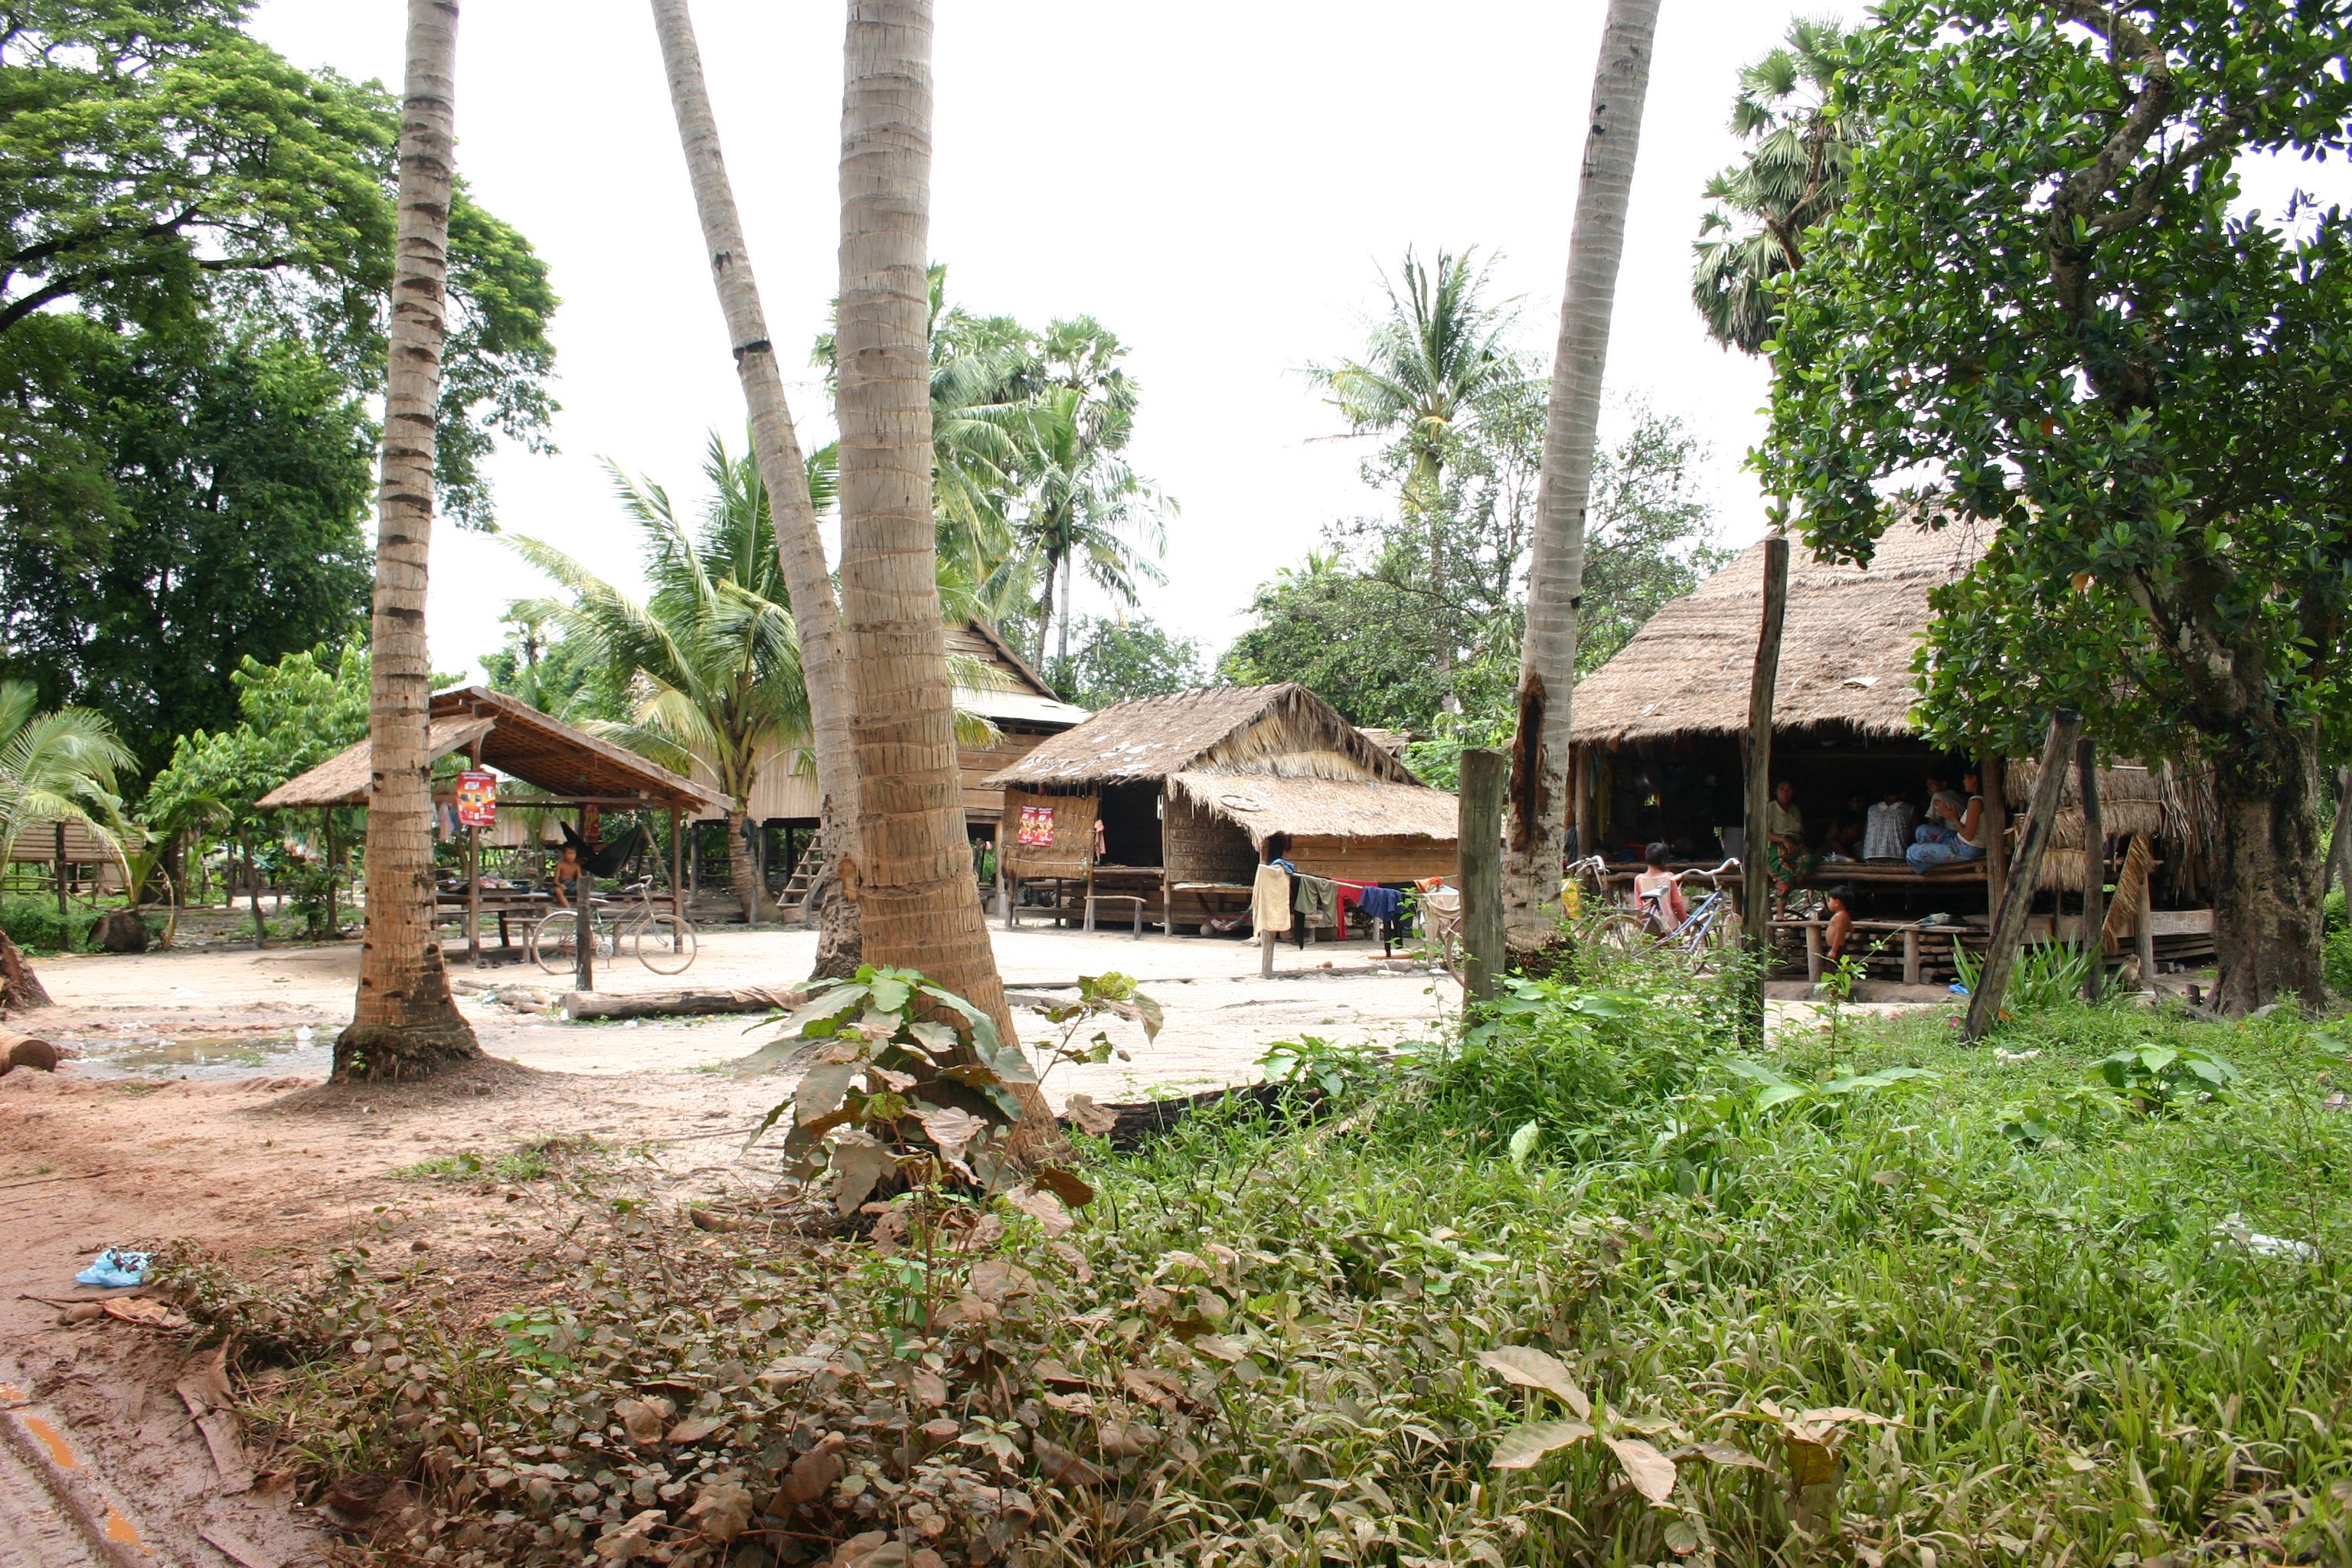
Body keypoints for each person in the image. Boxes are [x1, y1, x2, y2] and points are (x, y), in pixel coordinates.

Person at [1909, 769, 1988, 873]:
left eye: (1965, 778)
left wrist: (1953, 819)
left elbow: (1968, 836)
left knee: (1913, 851)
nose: (1963, 782)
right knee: (1922, 830)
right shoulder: (1978, 800)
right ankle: (1934, 857)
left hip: (1967, 849)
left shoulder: (1975, 802)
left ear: (1974, 779)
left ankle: (1931, 872)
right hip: (1960, 841)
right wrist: (1954, 816)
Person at [1765, 779, 1816, 917]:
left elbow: (1800, 831)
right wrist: (1784, 840)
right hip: (1777, 845)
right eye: (1782, 789)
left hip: (1795, 844)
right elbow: (1764, 833)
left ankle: (1795, 880)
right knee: (1784, 875)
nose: (1785, 793)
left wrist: (1800, 844)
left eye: (1789, 790)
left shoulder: (1794, 810)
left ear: (1793, 793)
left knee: (1810, 859)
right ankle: (1780, 914)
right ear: (1776, 791)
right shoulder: (1770, 808)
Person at [1632, 842, 1688, 935]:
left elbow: (1639, 906)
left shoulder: (1639, 879)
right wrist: (1685, 923)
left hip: (1649, 927)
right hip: (1669, 927)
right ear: (1664, 860)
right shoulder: (1669, 877)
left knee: (1650, 949)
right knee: (1672, 949)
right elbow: (1676, 903)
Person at [1864, 780, 1919, 861]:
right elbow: (1917, 833)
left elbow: (1866, 833)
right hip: (1896, 855)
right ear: (1904, 793)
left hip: (1870, 854)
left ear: (1885, 795)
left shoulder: (1872, 809)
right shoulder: (1910, 809)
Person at [1824, 884, 1857, 962]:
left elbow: (1839, 934)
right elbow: (1851, 928)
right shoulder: (1845, 914)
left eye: (1830, 900)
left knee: (1834, 970)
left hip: (1836, 948)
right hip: (1840, 947)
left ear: (1837, 902)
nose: (1828, 903)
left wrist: (1833, 950)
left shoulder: (1839, 916)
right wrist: (1849, 935)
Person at [549, 844, 583, 909]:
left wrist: (580, 886)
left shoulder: (576, 866)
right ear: (564, 855)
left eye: (573, 853)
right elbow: (555, 880)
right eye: (569, 854)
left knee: (581, 890)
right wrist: (560, 885)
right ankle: (568, 909)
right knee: (558, 891)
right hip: (562, 885)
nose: (571, 856)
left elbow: (580, 879)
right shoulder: (560, 865)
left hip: (572, 886)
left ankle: (581, 908)